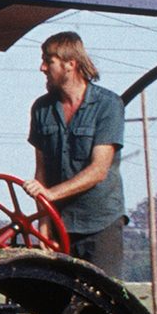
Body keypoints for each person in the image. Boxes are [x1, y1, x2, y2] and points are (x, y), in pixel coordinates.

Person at [23, 31, 126, 275]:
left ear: (70, 64)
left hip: (99, 223)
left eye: (49, 61)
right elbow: (42, 172)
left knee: (102, 300)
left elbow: (99, 170)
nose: (42, 68)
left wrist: (50, 194)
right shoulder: (42, 109)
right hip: (60, 223)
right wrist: (44, 226)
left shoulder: (108, 105)